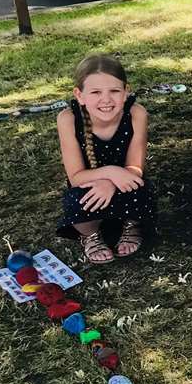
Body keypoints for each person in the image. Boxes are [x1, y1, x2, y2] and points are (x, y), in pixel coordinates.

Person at [56, 54, 156, 264]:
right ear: (79, 95)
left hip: (126, 183)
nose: (106, 99)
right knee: (77, 202)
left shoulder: (136, 113)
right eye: (95, 92)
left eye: (114, 91)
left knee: (142, 190)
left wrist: (113, 183)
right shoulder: (68, 119)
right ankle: (90, 234)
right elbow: (76, 177)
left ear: (126, 92)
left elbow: (135, 167)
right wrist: (109, 174)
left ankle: (131, 225)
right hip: (89, 185)